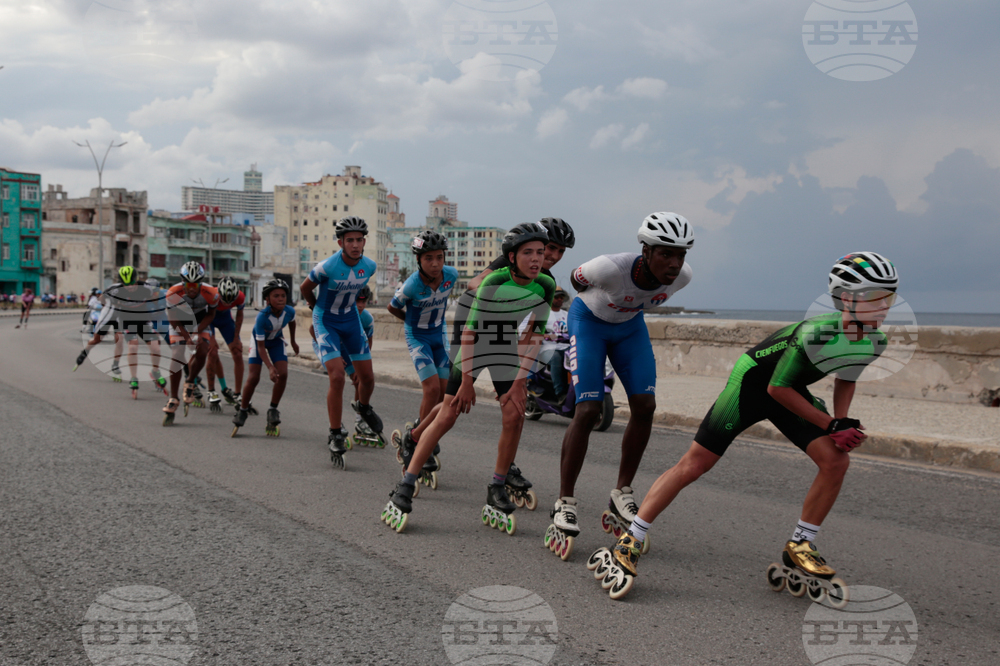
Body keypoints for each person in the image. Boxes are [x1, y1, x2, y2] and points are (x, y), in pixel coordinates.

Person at [587, 252, 898, 601]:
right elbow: (774, 388)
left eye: (889, 296)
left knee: (836, 460)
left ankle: (801, 544)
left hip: (788, 391)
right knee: (695, 464)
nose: (884, 306)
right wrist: (831, 423)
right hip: (752, 384)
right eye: (876, 297)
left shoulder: (875, 339)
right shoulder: (817, 332)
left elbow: (845, 379)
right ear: (846, 299)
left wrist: (841, 424)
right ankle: (633, 537)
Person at [380, 222, 555, 534]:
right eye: (528, 252)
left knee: (515, 413)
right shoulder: (494, 281)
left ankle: (497, 485)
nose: (537, 259)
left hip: (504, 340)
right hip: (472, 336)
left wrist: (518, 384)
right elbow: (472, 331)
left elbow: (533, 334)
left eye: (541, 253)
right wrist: (467, 383)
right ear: (512, 257)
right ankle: (405, 483)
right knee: (450, 412)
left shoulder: (545, 285)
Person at [548, 212, 694, 561]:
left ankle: (621, 492)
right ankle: (565, 500)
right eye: (665, 254)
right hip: (589, 324)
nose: (674, 264)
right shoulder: (609, 268)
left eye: (681, 255)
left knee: (645, 407)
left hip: (630, 329)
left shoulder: (682, 278)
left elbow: (641, 302)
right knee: (587, 409)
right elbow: (575, 279)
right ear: (645, 250)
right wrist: (600, 304)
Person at [299, 216, 383, 463]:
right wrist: (316, 310)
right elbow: (305, 288)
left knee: (367, 378)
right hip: (327, 321)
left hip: (350, 321)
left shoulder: (369, 266)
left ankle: (363, 407)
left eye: (359, 240)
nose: (355, 245)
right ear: (340, 242)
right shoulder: (326, 267)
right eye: (350, 241)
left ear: (364, 241)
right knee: (337, 376)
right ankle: (335, 432)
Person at [387, 230, 458, 424]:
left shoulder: (451, 275)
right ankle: (418, 437)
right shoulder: (411, 285)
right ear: (418, 259)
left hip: (439, 334)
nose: (435, 263)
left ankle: (422, 428)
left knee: (444, 392)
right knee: (432, 388)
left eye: (439, 257)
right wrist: (409, 323)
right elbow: (392, 307)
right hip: (418, 337)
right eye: (428, 258)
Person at [73, 266, 165, 398]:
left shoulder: (146, 288)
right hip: (122, 318)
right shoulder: (114, 290)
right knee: (129, 345)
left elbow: (154, 299)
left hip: (143, 320)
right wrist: (112, 306)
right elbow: (103, 300)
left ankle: (153, 371)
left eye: (132, 283)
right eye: (125, 284)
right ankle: (133, 378)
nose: (129, 287)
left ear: (137, 279)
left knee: (155, 348)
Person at [232, 279, 298, 437]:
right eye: (276, 296)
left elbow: (292, 323)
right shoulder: (262, 317)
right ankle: (242, 410)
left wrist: (294, 341)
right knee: (254, 377)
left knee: (283, 374)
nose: (281, 299)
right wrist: (269, 367)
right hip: (258, 343)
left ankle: (273, 409)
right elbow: (261, 348)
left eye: (283, 295)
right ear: (267, 300)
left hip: (276, 340)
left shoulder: (290, 311)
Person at [162, 262, 219, 424]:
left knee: (202, 351)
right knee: (177, 355)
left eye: (195, 285)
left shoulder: (211, 293)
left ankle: (190, 382)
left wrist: (197, 332)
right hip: (179, 323)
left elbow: (211, 314)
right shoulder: (173, 293)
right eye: (188, 284)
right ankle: (173, 398)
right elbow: (173, 321)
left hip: (200, 322)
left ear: (200, 283)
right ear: (183, 282)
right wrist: (187, 337)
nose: (192, 288)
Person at [342, 286, 381, 446]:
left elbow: (368, 343)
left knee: (362, 380)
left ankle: (360, 420)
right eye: (357, 300)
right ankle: (335, 426)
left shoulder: (367, 319)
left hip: (353, 346)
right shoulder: (341, 315)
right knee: (336, 377)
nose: (360, 305)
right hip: (333, 346)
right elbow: (313, 330)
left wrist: (361, 367)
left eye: (363, 301)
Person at [205, 276, 246, 412]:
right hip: (209, 319)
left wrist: (236, 338)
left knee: (237, 353)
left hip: (225, 320)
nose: (228, 303)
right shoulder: (210, 295)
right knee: (212, 352)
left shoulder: (240, 297)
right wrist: (211, 339)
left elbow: (239, 316)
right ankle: (211, 391)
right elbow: (203, 316)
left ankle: (238, 394)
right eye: (225, 300)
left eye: (231, 301)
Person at [535, 286, 571, 403]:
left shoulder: (567, 315)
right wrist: (545, 335)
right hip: (547, 349)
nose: (560, 299)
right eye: (556, 297)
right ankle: (560, 393)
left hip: (567, 348)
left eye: (561, 297)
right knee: (555, 357)